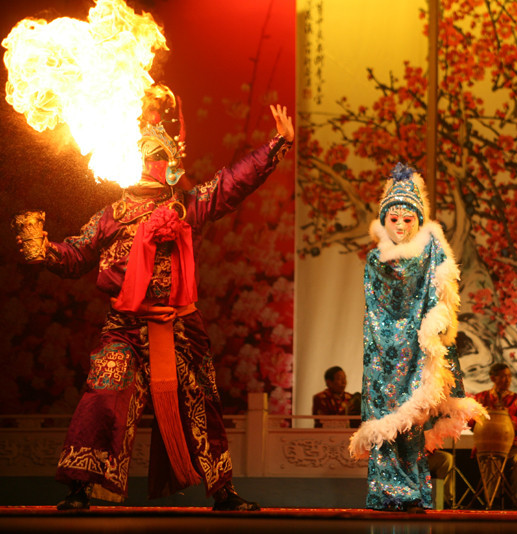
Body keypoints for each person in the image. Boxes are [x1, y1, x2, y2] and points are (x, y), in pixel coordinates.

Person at [16, 85, 294, 511]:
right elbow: (76, 256)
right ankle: (81, 487)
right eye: (142, 155)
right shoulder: (110, 216)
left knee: (201, 404)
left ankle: (223, 491)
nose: (148, 163)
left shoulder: (186, 205)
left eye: (156, 156)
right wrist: (45, 250)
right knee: (102, 397)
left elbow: (232, 182)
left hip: (181, 326)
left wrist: (276, 144)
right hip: (124, 328)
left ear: (170, 167)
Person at [348, 162, 486, 512]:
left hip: (417, 349)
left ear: (418, 220)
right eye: (393, 218)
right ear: (383, 220)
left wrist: (431, 329)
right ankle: (385, 492)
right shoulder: (375, 260)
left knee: (412, 422)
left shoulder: (432, 253)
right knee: (385, 421)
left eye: (408, 219)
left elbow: (442, 297)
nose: (400, 225)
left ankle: (411, 492)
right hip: (382, 351)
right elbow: (374, 310)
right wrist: (384, 344)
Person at [471, 362, 517, 508]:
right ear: (493, 378)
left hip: (512, 444)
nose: (508, 380)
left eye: (509, 376)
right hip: (489, 444)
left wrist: (506, 420)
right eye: (503, 376)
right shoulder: (481, 398)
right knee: (492, 457)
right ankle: (492, 500)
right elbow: (472, 423)